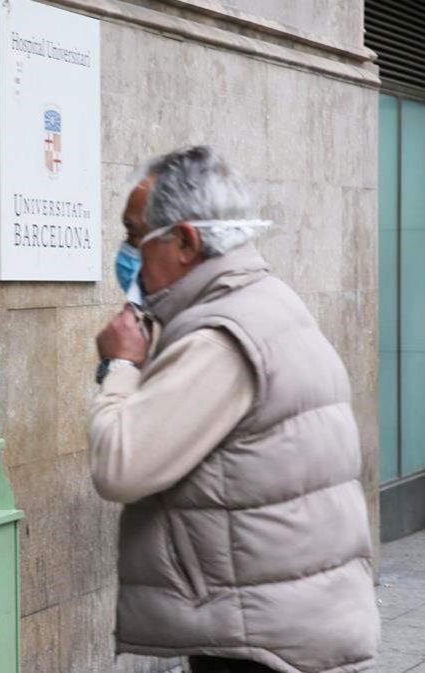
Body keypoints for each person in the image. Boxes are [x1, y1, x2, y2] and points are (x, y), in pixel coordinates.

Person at [88, 146, 378, 673]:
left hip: (255, 637)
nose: (126, 250)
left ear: (185, 241)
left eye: (134, 235)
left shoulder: (219, 338)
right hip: (285, 615)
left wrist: (120, 368)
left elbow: (119, 467)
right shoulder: (268, 302)